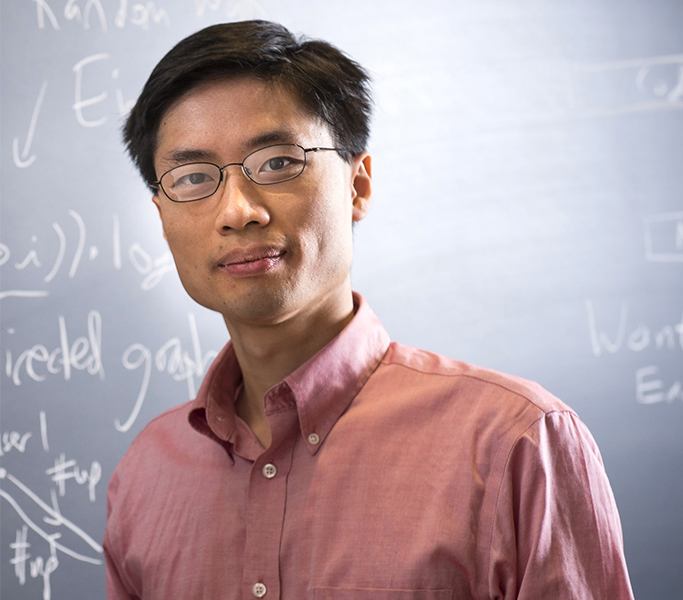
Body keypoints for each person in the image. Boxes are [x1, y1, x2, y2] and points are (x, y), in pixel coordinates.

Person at [103, 19, 634, 600]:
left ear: (358, 185)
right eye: (194, 177)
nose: (238, 210)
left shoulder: (516, 446)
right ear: (161, 216)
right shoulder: (146, 475)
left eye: (278, 162)